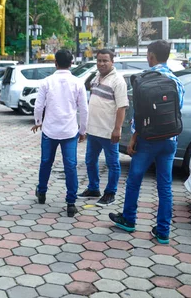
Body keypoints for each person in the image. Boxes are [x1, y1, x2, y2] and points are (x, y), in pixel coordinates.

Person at [110, 40, 184, 244]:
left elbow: (139, 115)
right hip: (170, 140)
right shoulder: (176, 81)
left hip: (148, 139)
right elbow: (178, 110)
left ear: (151, 55)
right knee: (165, 185)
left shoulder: (144, 79)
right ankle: (163, 231)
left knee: (134, 179)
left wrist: (133, 138)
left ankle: (129, 219)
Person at [31, 50, 88, 217]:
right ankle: (71, 202)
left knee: (46, 162)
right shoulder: (78, 83)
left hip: (49, 129)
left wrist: (38, 122)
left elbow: (38, 106)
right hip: (70, 131)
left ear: (55, 62)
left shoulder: (46, 82)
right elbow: (84, 109)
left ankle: (41, 192)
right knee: (70, 166)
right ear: (71, 63)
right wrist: (83, 130)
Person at [79, 49, 128, 206]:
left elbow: (122, 107)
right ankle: (93, 188)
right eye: (99, 60)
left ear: (112, 62)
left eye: (105, 60)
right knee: (90, 160)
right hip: (93, 130)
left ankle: (110, 193)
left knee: (112, 163)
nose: (101, 63)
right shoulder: (97, 77)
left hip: (108, 131)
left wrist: (117, 129)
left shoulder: (118, 81)